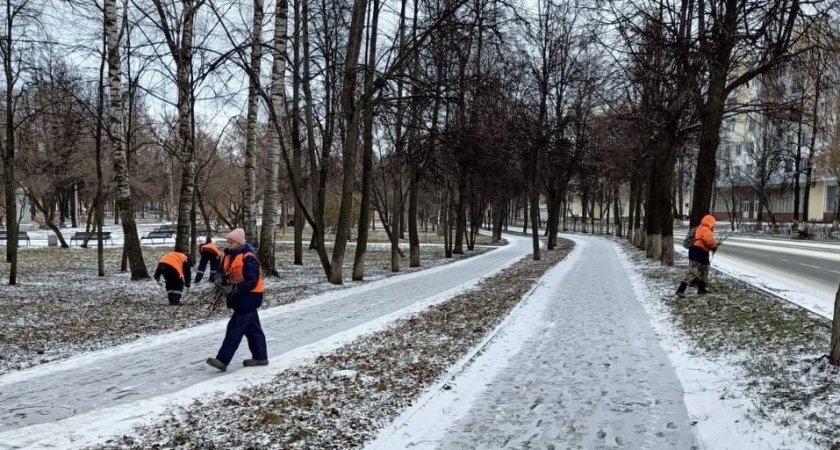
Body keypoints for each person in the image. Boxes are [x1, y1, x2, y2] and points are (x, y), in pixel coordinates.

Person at [206, 228, 268, 372]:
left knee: (235, 328)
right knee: (253, 329)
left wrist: (235, 289)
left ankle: (222, 360)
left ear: (239, 243)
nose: (228, 244)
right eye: (228, 241)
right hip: (240, 298)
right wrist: (219, 280)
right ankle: (260, 357)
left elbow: (252, 280)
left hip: (249, 297)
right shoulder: (229, 256)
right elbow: (222, 271)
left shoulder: (248, 257)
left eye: (231, 242)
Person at [676, 214, 718, 297]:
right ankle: (680, 290)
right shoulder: (705, 229)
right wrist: (714, 246)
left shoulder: (698, 228)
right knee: (695, 272)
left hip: (695, 252)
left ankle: (702, 290)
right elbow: (709, 240)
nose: (714, 225)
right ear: (710, 222)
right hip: (699, 253)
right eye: (713, 223)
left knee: (703, 271)